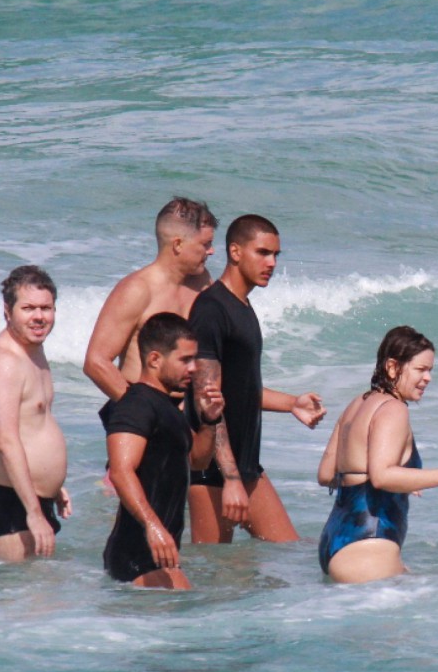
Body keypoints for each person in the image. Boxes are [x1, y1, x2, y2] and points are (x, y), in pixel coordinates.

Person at [187, 214, 326, 543]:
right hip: (212, 471)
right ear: (235, 252)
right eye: (263, 252)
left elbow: (240, 389)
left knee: (284, 553)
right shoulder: (211, 309)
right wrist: (231, 478)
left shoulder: (242, 308)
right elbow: (207, 400)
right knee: (214, 575)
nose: (272, 263)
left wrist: (292, 403)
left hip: (245, 466)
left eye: (276, 255)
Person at [316, 326, 438, 584]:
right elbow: (381, 476)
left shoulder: (357, 404)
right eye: (420, 370)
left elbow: (327, 474)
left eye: (430, 370)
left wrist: (403, 482)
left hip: (335, 539)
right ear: (393, 368)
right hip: (368, 545)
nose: (428, 378)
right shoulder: (393, 409)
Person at [103, 313, 224, 589]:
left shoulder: (167, 408)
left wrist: (209, 421)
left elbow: (198, 461)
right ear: (155, 359)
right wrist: (153, 527)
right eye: (185, 360)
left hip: (157, 553)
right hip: (135, 556)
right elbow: (121, 472)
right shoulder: (136, 405)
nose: (194, 368)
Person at [82, 197, 217, 423]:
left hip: (188, 409)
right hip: (139, 406)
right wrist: (145, 412)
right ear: (178, 245)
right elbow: (96, 362)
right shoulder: (138, 289)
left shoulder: (202, 283)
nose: (211, 251)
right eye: (204, 244)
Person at [0, 266, 71, 561]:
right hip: (13, 506)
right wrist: (33, 511)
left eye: (46, 308)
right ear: (8, 311)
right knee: (21, 602)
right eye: (28, 308)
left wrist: (52, 486)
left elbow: (35, 426)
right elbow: (6, 441)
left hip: (33, 499)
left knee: (45, 600)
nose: (39, 317)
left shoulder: (34, 351)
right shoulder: (5, 362)